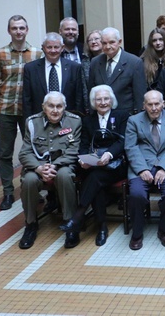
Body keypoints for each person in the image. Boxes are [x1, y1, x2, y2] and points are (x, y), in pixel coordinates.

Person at [59, 85, 128, 246]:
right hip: (94, 165)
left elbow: (123, 140)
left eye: (106, 99)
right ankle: (101, 227)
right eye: (99, 99)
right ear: (93, 102)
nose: (103, 102)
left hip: (116, 164)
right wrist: (83, 159)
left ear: (112, 100)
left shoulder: (122, 116)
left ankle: (78, 219)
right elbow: (83, 144)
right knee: (94, 178)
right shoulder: (88, 120)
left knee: (94, 178)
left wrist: (109, 154)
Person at [0, 15, 43, 211]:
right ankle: (8, 192)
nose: (18, 31)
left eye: (21, 28)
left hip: (30, 111)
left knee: (35, 150)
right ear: (9, 31)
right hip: (6, 110)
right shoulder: (0, 54)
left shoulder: (37, 53)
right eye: (14, 28)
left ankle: (34, 189)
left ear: (27, 30)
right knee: (5, 152)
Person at [17, 92, 82, 249]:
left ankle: (70, 223)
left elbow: (74, 150)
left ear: (64, 108)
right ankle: (31, 224)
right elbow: (24, 153)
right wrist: (39, 168)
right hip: (38, 165)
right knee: (29, 180)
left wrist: (55, 165)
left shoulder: (74, 121)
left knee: (65, 175)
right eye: (51, 106)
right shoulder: (32, 122)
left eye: (59, 106)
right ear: (43, 108)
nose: (55, 110)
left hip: (63, 164)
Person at [124, 90, 165, 251]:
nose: (154, 108)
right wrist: (142, 169)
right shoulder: (133, 121)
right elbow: (131, 147)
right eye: (150, 104)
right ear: (144, 106)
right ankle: (137, 233)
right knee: (136, 194)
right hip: (141, 165)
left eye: (157, 104)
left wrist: (164, 168)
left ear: (163, 104)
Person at [22, 32, 84, 117]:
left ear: (62, 48)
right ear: (43, 48)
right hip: (39, 119)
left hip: (68, 119)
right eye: (49, 47)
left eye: (56, 47)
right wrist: (29, 122)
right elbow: (26, 99)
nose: (53, 50)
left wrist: (77, 119)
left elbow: (79, 98)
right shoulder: (31, 68)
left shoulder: (74, 67)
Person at [88, 27, 146, 115]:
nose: (108, 46)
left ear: (119, 42)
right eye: (104, 43)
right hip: (101, 116)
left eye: (112, 42)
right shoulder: (95, 62)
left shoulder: (134, 62)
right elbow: (91, 91)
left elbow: (139, 96)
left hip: (126, 117)